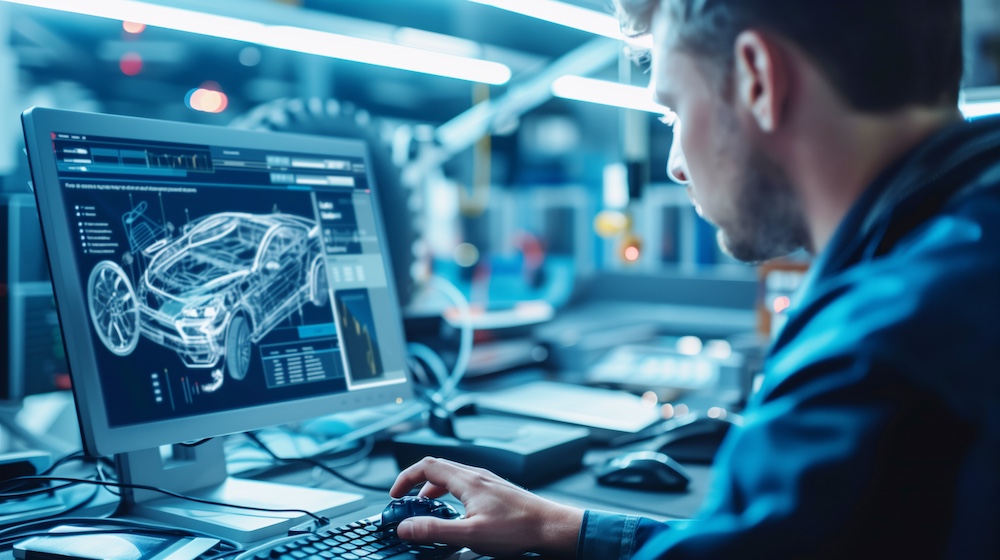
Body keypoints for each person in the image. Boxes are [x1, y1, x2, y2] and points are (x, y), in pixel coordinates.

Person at [391, 0, 1000, 557]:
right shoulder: (964, 244)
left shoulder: (879, 350)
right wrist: (560, 527)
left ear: (758, 78)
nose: (676, 166)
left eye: (673, 110)